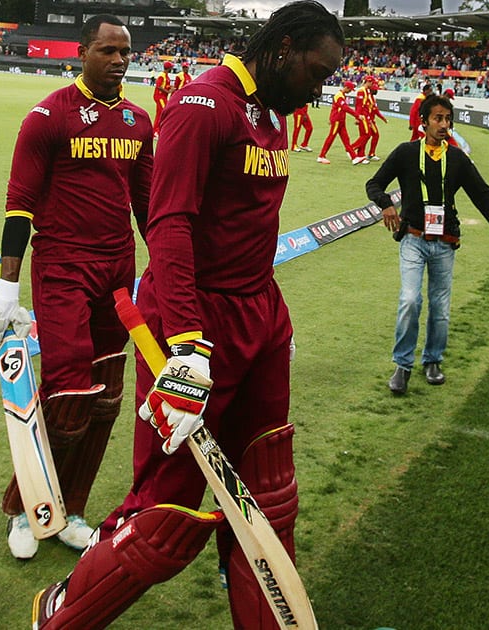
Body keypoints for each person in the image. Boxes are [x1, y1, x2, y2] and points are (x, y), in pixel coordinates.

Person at [30, 2, 345, 626]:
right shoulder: (204, 105)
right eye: (316, 71)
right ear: (283, 48)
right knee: (165, 516)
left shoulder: (268, 113)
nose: (320, 88)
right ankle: (60, 614)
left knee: (268, 496)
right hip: (199, 326)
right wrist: (187, 343)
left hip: (262, 317)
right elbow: (168, 223)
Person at [0, 14, 153, 560]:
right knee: (69, 389)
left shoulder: (138, 121)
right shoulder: (48, 117)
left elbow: (148, 209)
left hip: (118, 270)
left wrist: (165, 268)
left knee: (108, 397)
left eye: (125, 51)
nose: (119, 60)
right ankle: (26, 508)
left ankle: (71, 508)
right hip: (63, 267)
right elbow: (19, 205)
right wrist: (6, 289)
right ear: (82, 53)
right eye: (107, 50)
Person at [366, 94, 489, 395]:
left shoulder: (457, 158)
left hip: (445, 243)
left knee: (440, 307)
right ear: (424, 122)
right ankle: (402, 365)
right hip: (413, 239)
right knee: (410, 300)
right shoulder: (406, 153)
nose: (444, 124)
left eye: (448, 119)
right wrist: (385, 204)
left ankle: (433, 360)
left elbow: (481, 193)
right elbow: (374, 184)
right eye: (438, 118)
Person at [316, 79, 358, 164]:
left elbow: (335, 109)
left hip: (340, 121)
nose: (350, 91)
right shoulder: (339, 96)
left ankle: (354, 157)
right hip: (337, 121)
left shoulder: (342, 95)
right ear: (346, 87)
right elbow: (344, 108)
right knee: (331, 137)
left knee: (346, 139)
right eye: (350, 89)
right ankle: (321, 156)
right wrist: (357, 115)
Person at [152, 60, 174, 137]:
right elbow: (158, 86)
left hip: (163, 97)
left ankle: (155, 131)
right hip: (160, 96)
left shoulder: (166, 76)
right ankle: (157, 131)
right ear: (169, 68)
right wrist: (167, 91)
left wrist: (170, 88)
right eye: (171, 67)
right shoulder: (162, 75)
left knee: (159, 114)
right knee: (163, 113)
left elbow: (165, 85)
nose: (172, 68)